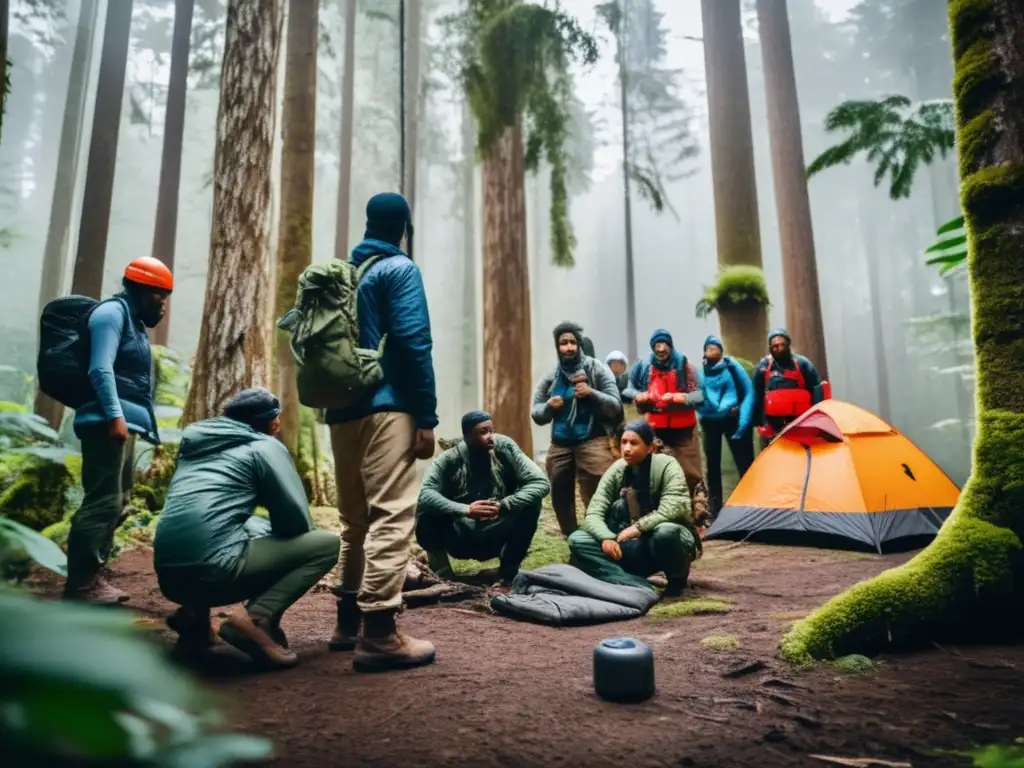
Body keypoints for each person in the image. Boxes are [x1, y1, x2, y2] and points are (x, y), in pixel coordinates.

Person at [325, 192, 438, 673]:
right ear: (403, 227)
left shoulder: (343, 273)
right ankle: (379, 633)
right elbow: (414, 342)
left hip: (341, 410)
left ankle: (347, 622)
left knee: (355, 521)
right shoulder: (399, 270)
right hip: (387, 406)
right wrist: (427, 416)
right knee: (392, 514)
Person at [154, 389, 340, 668]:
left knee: (239, 526)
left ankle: (194, 620)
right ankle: (256, 619)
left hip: (169, 579)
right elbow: (297, 525)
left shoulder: (195, 446)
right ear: (273, 421)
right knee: (326, 545)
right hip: (213, 572)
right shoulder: (264, 446)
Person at [63, 257, 173, 605]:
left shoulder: (133, 321)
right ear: (142, 290)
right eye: (159, 295)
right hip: (104, 423)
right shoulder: (111, 314)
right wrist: (114, 416)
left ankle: (93, 576)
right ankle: (81, 584)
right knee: (102, 500)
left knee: (118, 499)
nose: (163, 303)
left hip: (118, 423)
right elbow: (100, 369)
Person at [415, 411, 550, 589]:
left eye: (492, 430)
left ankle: (507, 574)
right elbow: (425, 495)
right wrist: (465, 510)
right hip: (460, 534)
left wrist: (506, 504)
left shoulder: (504, 447)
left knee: (531, 504)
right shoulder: (449, 458)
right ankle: (442, 575)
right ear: (467, 436)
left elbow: (540, 482)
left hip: (496, 528)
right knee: (426, 512)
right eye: (483, 432)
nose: (491, 437)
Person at [567, 420, 699, 597]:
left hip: (660, 542)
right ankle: (627, 581)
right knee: (578, 539)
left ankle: (677, 581)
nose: (627, 448)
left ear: (651, 448)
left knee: (665, 532)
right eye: (623, 442)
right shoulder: (617, 469)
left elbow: (675, 506)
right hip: (625, 543)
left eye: (634, 443)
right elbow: (594, 512)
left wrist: (638, 527)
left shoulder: (667, 465)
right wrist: (606, 538)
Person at [532, 322, 623, 537]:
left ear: (579, 345)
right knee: (560, 495)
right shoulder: (551, 376)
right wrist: (548, 407)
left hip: (592, 439)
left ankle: (604, 536)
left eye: (573, 342)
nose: (569, 347)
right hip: (560, 444)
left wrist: (591, 393)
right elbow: (536, 412)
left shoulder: (597, 369)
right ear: (558, 347)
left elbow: (616, 405)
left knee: (601, 489)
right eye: (564, 343)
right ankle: (573, 539)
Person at [630, 329, 705, 499]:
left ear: (670, 346)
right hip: (656, 431)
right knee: (656, 476)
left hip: (684, 430)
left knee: (690, 475)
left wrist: (682, 397)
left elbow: (700, 395)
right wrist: (638, 396)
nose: (661, 349)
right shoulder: (644, 368)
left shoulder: (685, 366)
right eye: (657, 345)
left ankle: (697, 515)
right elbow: (628, 388)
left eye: (664, 345)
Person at [697, 336, 755, 518]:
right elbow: (694, 395)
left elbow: (747, 390)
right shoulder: (700, 373)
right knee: (712, 464)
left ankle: (750, 501)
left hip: (732, 419)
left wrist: (739, 409)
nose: (711, 350)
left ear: (721, 351)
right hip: (709, 422)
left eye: (715, 347)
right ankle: (715, 507)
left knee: (742, 460)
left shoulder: (732, 368)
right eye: (708, 348)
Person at [753, 329, 822, 445]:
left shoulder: (802, 364)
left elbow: (817, 390)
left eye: (782, 345)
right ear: (770, 348)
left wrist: (817, 419)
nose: (779, 349)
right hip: (772, 427)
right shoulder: (763, 367)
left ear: (788, 345)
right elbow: (757, 395)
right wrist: (758, 421)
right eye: (775, 346)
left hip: (802, 424)